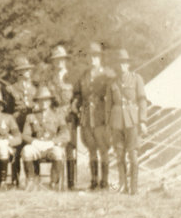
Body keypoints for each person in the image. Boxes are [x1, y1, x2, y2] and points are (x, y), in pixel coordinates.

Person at [106, 48, 148, 195]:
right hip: (116, 122)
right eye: (119, 63)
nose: (121, 66)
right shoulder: (112, 82)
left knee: (133, 155)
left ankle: (134, 188)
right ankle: (123, 186)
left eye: (124, 63)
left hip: (132, 121)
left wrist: (143, 121)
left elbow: (142, 101)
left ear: (128, 65)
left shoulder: (137, 79)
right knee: (119, 155)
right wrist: (108, 125)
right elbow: (108, 106)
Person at [74, 42, 114, 190]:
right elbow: (78, 93)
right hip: (86, 117)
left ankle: (104, 182)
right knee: (91, 148)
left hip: (101, 116)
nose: (92, 59)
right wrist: (76, 103)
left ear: (100, 58)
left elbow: (113, 94)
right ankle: (94, 180)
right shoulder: (84, 76)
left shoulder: (107, 74)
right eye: (90, 56)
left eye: (95, 56)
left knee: (103, 148)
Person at [21, 86, 70, 191]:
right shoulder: (31, 116)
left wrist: (53, 142)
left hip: (50, 146)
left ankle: (54, 183)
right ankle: (31, 180)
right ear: (37, 102)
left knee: (58, 152)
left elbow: (65, 134)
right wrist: (34, 142)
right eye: (41, 100)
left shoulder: (58, 115)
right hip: (37, 146)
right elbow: (25, 135)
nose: (44, 103)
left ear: (50, 101)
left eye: (46, 100)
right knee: (26, 150)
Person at [47, 45, 79, 189]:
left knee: (70, 148)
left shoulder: (72, 77)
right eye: (56, 60)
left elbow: (78, 96)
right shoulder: (50, 80)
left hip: (69, 116)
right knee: (56, 146)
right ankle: (56, 182)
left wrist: (74, 110)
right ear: (53, 62)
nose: (59, 62)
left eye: (61, 59)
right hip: (55, 117)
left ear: (65, 60)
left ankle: (71, 183)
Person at [7, 56, 38, 185]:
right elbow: (8, 109)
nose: (28, 72)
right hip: (17, 122)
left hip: (31, 122)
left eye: (28, 70)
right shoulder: (11, 89)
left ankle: (34, 178)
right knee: (16, 150)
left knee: (32, 147)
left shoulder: (35, 89)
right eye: (25, 70)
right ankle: (15, 178)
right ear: (19, 73)